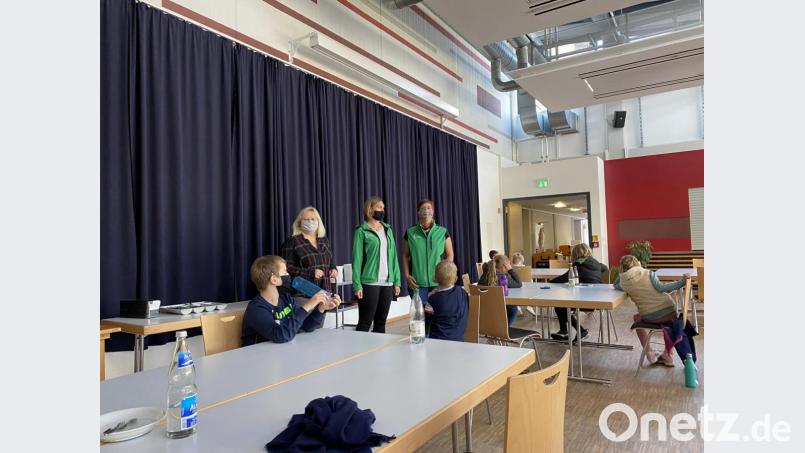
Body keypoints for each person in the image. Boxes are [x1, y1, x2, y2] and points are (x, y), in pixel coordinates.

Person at [241, 255, 340, 346]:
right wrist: (307, 306)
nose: (288, 275)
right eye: (285, 272)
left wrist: (321, 308)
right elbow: (281, 335)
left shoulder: (286, 299)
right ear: (274, 280)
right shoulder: (256, 309)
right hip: (260, 357)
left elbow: (306, 326)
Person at [614, 255, 689, 367]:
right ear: (638, 263)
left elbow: (615, 285)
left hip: (649, 316)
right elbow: (662, 288)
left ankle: (649, 353)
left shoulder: (623, 282)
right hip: (669, 312)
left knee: (636, 318)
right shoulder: (648, 273)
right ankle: (668, 354)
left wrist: (622, 275)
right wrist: (682, 282)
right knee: (669, 324)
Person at [352, 196, 401, 333]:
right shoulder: (361, 230)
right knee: (365, 323)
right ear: (370, 209)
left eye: (383, 208)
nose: (382, 210)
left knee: (381, 323)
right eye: (379, 207)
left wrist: (397, 281)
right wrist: (357, 284)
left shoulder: (388, 229)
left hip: (387, 283)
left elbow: (394, 257)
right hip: (369, 283)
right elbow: (357, 259)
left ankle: (380, 348)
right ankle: (358, 347)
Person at [549, 243, 608, 341]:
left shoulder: (578, 264)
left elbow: (565, 277)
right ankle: (565, 332)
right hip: (599, 297)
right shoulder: (597, 263)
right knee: (562, 306)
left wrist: (549, 283)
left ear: (575, 254)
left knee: (560, 305)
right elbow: (605, 268)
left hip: (586, 300)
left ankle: (575, 331)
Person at [402, 199, 454, 305]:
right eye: (423, 208)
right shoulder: (410, 232)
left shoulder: (442, 232)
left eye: (429, 208)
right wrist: (407, 276)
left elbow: (450, 254)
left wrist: (446, 274)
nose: (426, 210)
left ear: (433, 211)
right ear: (418, 212)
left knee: (438, 311)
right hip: (417, 283)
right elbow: (405, 255)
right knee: (421, 313)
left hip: (439, 282)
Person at [281, 207, 338, 294]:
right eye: (306, 219)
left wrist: (333, 269)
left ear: (318, 222)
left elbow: (329, 261)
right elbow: (286, 268)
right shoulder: (293, 241)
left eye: (313, 219)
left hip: (326, 292)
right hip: (303, 293)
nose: (310, 222)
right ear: (299, 222)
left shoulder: (324, 240)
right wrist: (310, 272)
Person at [428, 260, 468, 342]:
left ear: (435, 278)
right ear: (456, 279)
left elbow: (425, 321)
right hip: (459, 340)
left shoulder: (432, 299)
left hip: (437, 342)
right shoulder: (463, 292)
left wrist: (429, 297)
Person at [479, 254, 522, 326]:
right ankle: (505, 329)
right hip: (498, 307)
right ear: (504, 266)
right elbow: (518, 284)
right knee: (513, 309)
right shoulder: (502, 277)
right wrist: (510, 270)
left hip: (483, 308)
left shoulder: (484, 275)